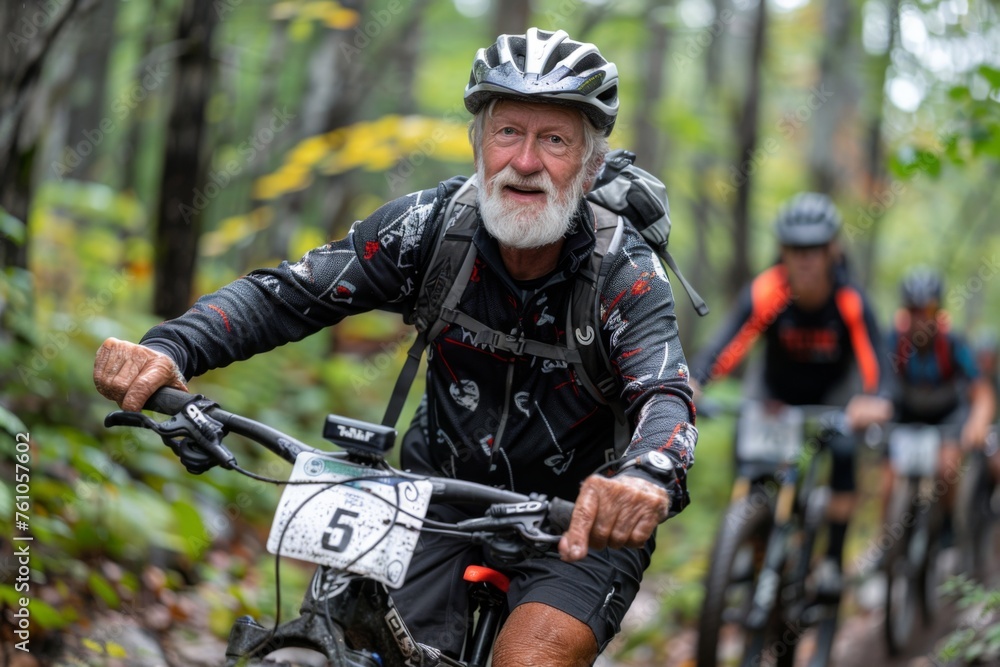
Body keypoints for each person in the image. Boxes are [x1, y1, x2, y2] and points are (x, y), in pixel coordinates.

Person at [93, 28, 698, 666]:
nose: (524, 162)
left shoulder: (622, 269)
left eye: (554, 140)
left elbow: (664, 391)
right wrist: (169, 348)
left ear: (591, 163)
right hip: (432, 491)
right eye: (507, 133)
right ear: (478, 144)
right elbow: (288, 295)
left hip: (580, 518)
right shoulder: (432, 227)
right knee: (357, 643)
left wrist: (643, 477)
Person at [689, 192, 892, 597]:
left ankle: (833, 559)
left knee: (846, 452)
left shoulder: (848, 300)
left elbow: (877, 363)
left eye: (815, 248)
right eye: (796, 248)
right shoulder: (769, 291)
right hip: (776, 391)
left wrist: (876, 398)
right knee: (749, 448)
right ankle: (749, 538)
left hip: (833, 396)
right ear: (783, 249)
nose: (805, 259)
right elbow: (727, 345)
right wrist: (697, 380)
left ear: (833, 249)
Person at [882, 267, 997, 534]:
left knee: (947, 469)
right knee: (887, 480)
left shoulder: (953, 343)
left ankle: (947, 533)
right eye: (914, 311)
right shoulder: (894, 341)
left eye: (928, 311)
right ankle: (883, 541)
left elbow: (981, 390)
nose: (921, 319)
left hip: (947, 415)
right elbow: (877, 381)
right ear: (905, 312)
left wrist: (978, 421)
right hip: (907, 412)